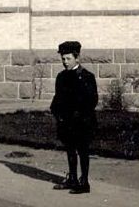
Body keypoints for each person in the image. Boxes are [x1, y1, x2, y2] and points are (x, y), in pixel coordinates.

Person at [50, 41, 98, 194]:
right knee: (70, 150)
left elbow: (92, 100)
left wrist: (79, 114)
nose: (65, 62)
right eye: (63, 59)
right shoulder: (61, 77)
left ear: (77, 58)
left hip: (83, 122)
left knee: (83, 150)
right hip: (66, 122)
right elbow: (58, 98)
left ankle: (84, 182)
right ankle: (72, 178)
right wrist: (57, 112)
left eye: (68, 59)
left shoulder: (86, 77)